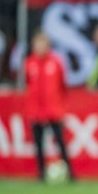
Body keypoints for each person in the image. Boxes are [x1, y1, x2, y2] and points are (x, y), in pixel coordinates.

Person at [25, 31, 74, 181]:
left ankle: (70, 173)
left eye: (42, 44)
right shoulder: (29, 63)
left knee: (60, 141)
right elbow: (28, 84)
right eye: (37, 44)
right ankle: (41, 173)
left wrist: (60, 105)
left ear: (48, 46)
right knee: (39, 144)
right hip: (36, 110)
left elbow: (62, 85)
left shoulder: (56, 62)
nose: (39, 47)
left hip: (54, 109)